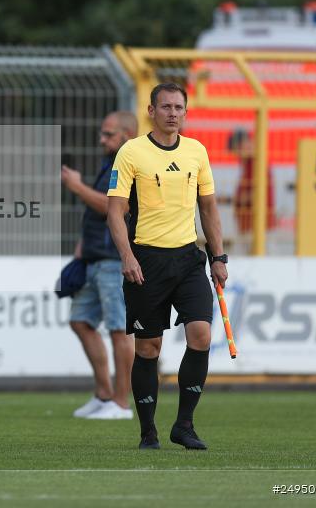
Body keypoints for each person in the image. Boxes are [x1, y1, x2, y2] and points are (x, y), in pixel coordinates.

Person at [106, 82, 228, 450]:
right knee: (148, 349)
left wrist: (218, 257)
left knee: (201, 336)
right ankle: (148, 432)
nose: (173, 113)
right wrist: (126, 256)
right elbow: (115, 210)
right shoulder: (131, 152)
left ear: (185, 113)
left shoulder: (196, 152)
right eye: (166, 107)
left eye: (179, 107)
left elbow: (208, 208)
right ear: (151, 111)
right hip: (146, 261)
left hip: (189, 258)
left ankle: (184, 425)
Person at [61, 111, 138, 420]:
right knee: (80, 321)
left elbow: (113, 207)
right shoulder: (110, 164)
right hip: (94, 257)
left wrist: (77, 187)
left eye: (108, 134)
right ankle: (104, 394)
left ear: (127, 135)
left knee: (120, 329)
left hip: (113, 261)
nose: (102, 139)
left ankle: (121, 404)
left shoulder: (129, 164)